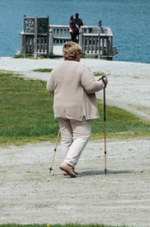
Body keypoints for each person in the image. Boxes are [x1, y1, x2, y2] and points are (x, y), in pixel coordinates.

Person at [46, 41, 108, 177]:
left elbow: (50, 88)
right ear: (76, 54)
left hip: (60, 108)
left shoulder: (57, 68)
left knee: (66, 139)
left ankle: (66, 164)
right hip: (78, 108)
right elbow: (90, 86)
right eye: (80, 53)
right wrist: (102, 83)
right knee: (82, 135)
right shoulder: (81, 68)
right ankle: (68, 163)